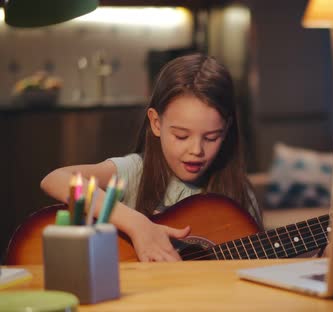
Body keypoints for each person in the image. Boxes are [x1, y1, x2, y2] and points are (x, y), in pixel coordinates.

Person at [41, 53, 262, 262]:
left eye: (212, 137)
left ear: (227, 130)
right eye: (181, 135)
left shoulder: (240, 193)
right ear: (156, 123)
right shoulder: (134, 171)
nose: (196, 150)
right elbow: (56, 178)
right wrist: (137, 224)